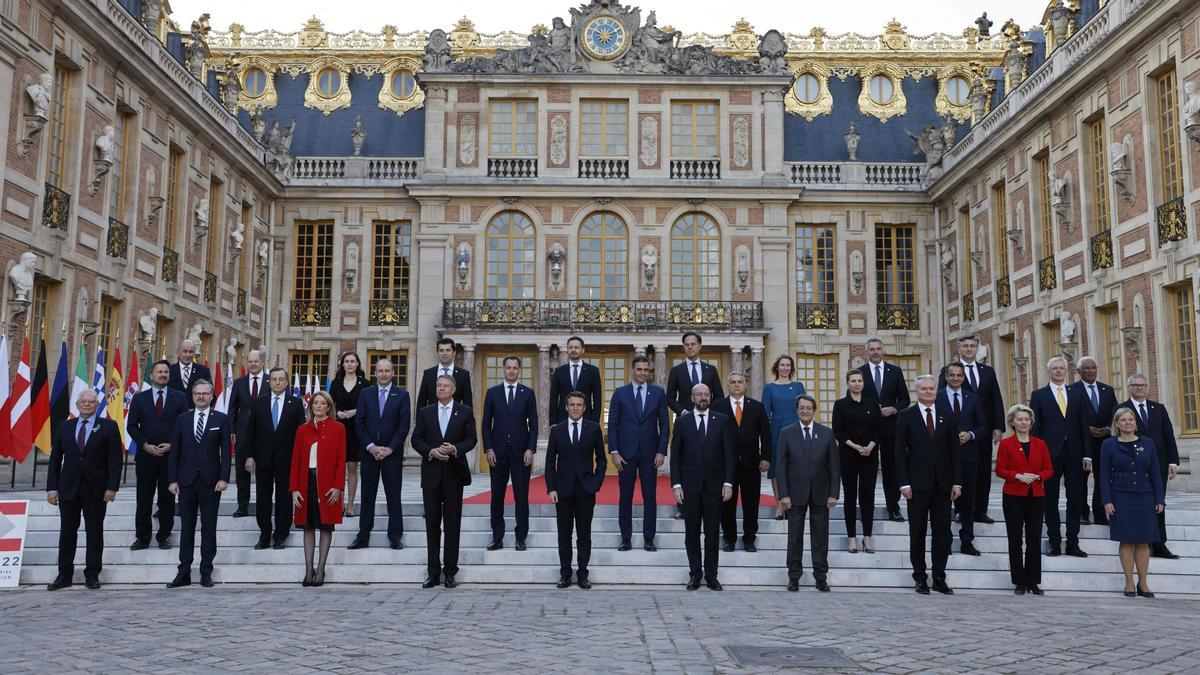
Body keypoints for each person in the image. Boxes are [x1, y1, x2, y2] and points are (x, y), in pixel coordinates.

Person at [45, 390, 122, 590]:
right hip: (68, 488)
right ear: (77, 405)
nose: (87, 405)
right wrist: (52, 488)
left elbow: (115, 460)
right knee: (67, 532)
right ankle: (64, 575)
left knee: (94, 532)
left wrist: (112, 487)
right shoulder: (64, 427)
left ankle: (92, 574)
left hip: (96, 489)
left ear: (97, 405)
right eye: (83, 402)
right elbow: (55, 460)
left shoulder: (108, 427)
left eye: (91, 402)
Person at [895, 375, 962, 595]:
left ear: (936, 390)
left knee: (942, 532)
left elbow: (955, 452)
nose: (928, 392)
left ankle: (939, 577)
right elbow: (899, 453)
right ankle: (920, 577)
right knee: (918, 532)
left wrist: (957, 482)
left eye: (931, 388)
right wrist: (903, 483)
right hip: (917, 485)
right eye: (923, 389)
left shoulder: (948, 416)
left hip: (943, 485)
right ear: (917, 391)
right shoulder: (906, 416)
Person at [411, 375, 477, 589]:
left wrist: (455, 449)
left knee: (452, 524)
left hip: (454, 475)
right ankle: (433, 572)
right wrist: (431, 452)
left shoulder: (464, 412)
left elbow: (471, 438)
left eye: (445, 385)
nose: (441, 388)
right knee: (432, 524)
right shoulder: (425, 412)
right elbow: (416, 439)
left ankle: (450, 571)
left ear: (454, 389)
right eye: (438, 385)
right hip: (431, 474)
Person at [669, 383, 735, 591]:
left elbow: (729, 455)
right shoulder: (682, 421)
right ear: (692, 397)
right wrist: (676, 484)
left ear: (710, 397)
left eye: (706, 394)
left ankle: (712, 575)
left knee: (713, 533)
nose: (703, 397)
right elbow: (676, 456)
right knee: (692, 533)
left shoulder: (722, 421)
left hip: (715, 487)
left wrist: (728, 482)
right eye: (699, 394)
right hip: (690, 487)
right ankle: (695, 574)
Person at [166, 380, 231, 588]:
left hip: (211, 482)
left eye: (205, 393)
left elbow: (227, 453)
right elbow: (174, 451)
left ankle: (205, 571)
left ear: (212, 396)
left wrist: (224, 478)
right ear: (192, 396)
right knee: (186, 528)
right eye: (197, 393)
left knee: (209, 527)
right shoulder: (182, 419)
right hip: (185, 481)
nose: (201, 397)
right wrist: (172, 479)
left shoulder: (221, 419)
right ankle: (183, 571)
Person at [1100, 407, 1166, 597]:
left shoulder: (1148, 443)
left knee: (1144, 542)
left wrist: (1159, 499)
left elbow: (1155, 473)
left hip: (1145, 496)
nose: (1127, 423)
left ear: (1135, 423)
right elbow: (1104, 475)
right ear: (1117, 424)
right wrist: (1107, 500)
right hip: (1121, 496)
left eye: (1131, 419)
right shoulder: (1109, 445)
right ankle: (1129, 582)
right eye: (1123, 420)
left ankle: (1143, 583)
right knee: (1127, 540)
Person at [938, 335, 1005, 523]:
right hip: (956, 432)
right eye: (965, 346)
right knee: (958, 471)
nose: (969, 349)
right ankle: (960, 509)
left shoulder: (987, 371)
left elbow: (996, 399)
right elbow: (941, 401)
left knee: (983, 470)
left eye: (972, 346)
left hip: (982, 430)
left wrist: (999, 426)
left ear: (977, 348)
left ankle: (980, 510)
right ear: (959, 348)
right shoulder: (949, 371)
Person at [776, 395, 840, 592]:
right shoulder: (786, 433)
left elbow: (834, 467)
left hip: (821, 494)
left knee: (820, 537)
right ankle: (794, 576)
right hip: (795, 495)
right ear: (797, 410)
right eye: (801, 408)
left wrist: (833, 494)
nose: (805, 411)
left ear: (814, 410)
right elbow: (781, 466)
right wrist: (783, 495)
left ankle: (821, 576)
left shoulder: (826, 434)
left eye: (808, 408)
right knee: (794, 537)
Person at [545, 391, 607, 589]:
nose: (575, 408)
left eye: (579, 405)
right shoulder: (557, 430)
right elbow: (549, 463)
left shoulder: (594, 429)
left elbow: (602, 459)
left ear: (584, 407)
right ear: (566, 407)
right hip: (562, 490)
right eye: (572, 404)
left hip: (585, 489)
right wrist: (551, 488)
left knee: (584, 534)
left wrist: (596, 482)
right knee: (564, 534)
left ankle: (582, 574)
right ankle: (565, 574)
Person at [1029, 356, 1090, 557]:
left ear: (1067, 370)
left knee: (1075, 498)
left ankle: (1073, 542)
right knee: (1050, 499)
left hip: (1074, 454)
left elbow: (1083, 426)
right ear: (1049, 371)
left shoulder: (1078, 394)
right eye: (1054, 368)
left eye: (1061, 368)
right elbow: (1035, 428)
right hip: (1048, 455)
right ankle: (1054, 541)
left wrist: (1087, 455)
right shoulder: (1039, 395)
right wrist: (1035, 456)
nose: (1058, 371)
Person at [607, 355, 669, 551]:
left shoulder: (658, 393)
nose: (642, 373)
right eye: (639, 369)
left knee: (650, 496)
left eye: (646, 370)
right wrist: (614, 451)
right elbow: (613, 424)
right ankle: (626, 538)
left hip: (650, 454)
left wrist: (661, 450)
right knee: (625, 496)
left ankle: (648, 539)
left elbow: (665, 424)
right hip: (625, 454)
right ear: (632, 371)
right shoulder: (620, 393)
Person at [126, 359, 188, 551]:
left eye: (166, 372)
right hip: (146, 457)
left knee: (167, 499)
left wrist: (172, 445)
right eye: (159, 372)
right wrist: (144, 445)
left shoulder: (179, 398)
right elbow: (131, 426)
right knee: (143, 498)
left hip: (169, 458)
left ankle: (164, 536)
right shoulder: (139, 398)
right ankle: (142, 537)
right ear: (152, 375)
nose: (163, 375)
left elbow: (183, 425)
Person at [242, 367, 306, 549]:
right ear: (269, 382)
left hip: (287, 460)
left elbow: (301, 433)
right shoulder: (259, 403)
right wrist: (249, 456)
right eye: (274, 379)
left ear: (287, 382)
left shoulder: (295, 403)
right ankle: (264, 534)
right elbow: (250, 432)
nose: (277, 383)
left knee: (284, 498)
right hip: (263, 459)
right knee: (263, 497)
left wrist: (299, 459)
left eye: (281, 379)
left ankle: (281, 535)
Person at [350, 358, 411, 549]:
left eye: (387, 371)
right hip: (369, 454)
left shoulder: (402, 395)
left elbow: (404, 425)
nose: (383, 374)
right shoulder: (365, 394)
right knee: (368, 495)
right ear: (375, 373)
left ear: (392, 373)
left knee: (393, 495)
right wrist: (371, 446)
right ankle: (363, 536)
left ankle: (395, 536)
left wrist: (389, 448)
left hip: (392, 454)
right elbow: (358, 423)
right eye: (380, 371)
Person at [481, 355, 539, 550]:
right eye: (508, 367)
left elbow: (534, 424)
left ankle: (520, 538)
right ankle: (497, 538)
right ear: (503, 369)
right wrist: (488, 448)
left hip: (521, 454)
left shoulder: (528, 393)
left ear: (519, 370)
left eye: (515, 368)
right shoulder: (492, 393)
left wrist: (531, 449)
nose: (511, 371)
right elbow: (485, 424)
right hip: (497, 453)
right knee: (496, 496)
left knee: (521, 496)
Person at [1121, 373, 1181, 559]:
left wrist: (1173, 461)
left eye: (1143, 385)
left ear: (1147, 388)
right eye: (1136, 385)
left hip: (1159, 464)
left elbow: (1168, 435)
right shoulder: (1122, 409)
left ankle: (1159, 543)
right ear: (1129, 387)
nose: (1139, 388)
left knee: (1159, 503)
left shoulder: (1159, 408)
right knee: (1139, 505)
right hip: (1133, 466)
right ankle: (1141, 541)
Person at [995, 404, 1053, 595]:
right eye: (1019, 419)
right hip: (1013, 495)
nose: (1024, 422)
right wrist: (1018, 476)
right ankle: (1019, 581)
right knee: (1015, 539)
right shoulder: (1005, 443)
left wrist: (1037, 477)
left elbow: (1048, 469)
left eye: (1027, 419)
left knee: (1034, 539)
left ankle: (1033, 581)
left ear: (1031, 422)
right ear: (1012, 422)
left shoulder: (1040, 444)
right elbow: (1000, 469)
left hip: (1036, 495)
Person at [290, 391, 346, 587]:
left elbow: (341, 460)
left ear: (329, 407)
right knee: (307, 526)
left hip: (328, 484)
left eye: (323, 403)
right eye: (316, 403)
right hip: (306, 482)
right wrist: (294, 489)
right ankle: (308, 569)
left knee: (325, 525)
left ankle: (321, 569)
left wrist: (338, 486)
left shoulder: (338, 428)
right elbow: (295, 460)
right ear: (311, 406)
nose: (319, 406)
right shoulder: (302, 430)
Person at [666, 332, 724, 520]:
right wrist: (683, 412)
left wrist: (705, 412)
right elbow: (669, 397)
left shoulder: (711, 370)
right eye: (686, 344)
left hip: (707, 423)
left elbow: (719, 396)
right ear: (683, 347)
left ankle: (708, 504)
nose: (690, 347)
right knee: (683, 460)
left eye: (693, 344)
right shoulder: (677, 370)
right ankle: (682, 506)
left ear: (700, 346)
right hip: (684, 422)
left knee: (707, 459)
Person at [711, 372, 770, 552]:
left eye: (740, 382)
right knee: (726, 503)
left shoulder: (757, 407)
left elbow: (766, 434)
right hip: (725, 465)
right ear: (728, 386)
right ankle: (729, 538)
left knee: (751, 504)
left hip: (751, 464)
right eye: (733, 382)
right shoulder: (718, 406)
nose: (737, 385)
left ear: (745, 385)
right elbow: (712, 436)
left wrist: (766, 457)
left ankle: (749, 539)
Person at [859, 337, 911, 522]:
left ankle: (893, 507)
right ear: (867, 352)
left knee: (891, 470)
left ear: (883, 351)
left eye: (878, 349)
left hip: (891, 428)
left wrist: (894, 409)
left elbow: (905, 399)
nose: (875, 352)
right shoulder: (860, 372)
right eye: (871, 349)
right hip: (867, 429)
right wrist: (871, 411)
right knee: (868, 470)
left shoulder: (895, 371)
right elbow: (855, 399)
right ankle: (866, 508)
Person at [938, 363, 988, 555]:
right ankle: (946, 541)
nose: (955, 378)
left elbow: (983, 425)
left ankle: (967, 541)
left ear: (963, 377)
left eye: (959, 375)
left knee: (968, 502)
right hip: (944, 457)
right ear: (947, 376)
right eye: (952, 375)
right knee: (944, 501)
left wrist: (971, 435)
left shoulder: (973, 399)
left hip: (968, 455)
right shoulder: (938, 396)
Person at [832, 370, 882, 554]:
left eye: (859, 380)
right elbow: (837, 430)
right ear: (847, 383)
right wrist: (855, 447)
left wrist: (869, 446)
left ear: (863, 383)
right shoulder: (840, 405)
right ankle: (852, 538)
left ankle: (867, 537)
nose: (856, 383)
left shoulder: (873, 404)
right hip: (848, 455)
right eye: (853, 380)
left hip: (869, 455)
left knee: (868, 497)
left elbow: (879, 429)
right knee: (850, 497)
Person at [1069, 356, 1118, 525]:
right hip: (1082, 442)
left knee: (1102, 477)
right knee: (1080, 478)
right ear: (1079, 371)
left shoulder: (1108, 390)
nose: (1091, 371)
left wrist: (1108, 427)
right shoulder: (1071, 390)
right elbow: (1069, 417)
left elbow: (1115, 412)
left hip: (1104, 441)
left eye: (1093, 368)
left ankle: (1100, 513)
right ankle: (1082, 512)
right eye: (1087, 368)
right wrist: (1086, 428)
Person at [761, 354, 805, 519]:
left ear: (791, 368)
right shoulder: (769, 388)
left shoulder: (798, 386)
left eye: (788, 365)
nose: (785, 368)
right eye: (782, 365)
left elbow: (805, 408)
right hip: (777, 430)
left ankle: (791, 503)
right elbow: (765, 413)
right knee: (777, 470)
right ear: (777, 368)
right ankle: (779, 505)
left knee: (794, 468)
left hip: (796, 429)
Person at [226, 349, 269, 518]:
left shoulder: (270, 381)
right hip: (242, 433)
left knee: (264, 472)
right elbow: (232, 408)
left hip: (264, 434)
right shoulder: (239, 383)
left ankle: (262, 504)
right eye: (250, 361)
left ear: (262, 362)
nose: (252, 364)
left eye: (256, 361)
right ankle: (242, 506)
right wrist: (232, 430)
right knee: (242, 472)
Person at [329, 351, 368, 516]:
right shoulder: (335, 383)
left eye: (353, 361)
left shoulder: (365, 384)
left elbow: (369, 406)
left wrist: (355, 412)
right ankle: (340, 503)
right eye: (347, 361)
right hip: (338, 428)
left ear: (357, 364)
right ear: (342, 364)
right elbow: (328, 404)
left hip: (356, 429)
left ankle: (350, 504)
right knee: (339, 468)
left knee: (352, 466)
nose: (350, 364)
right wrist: (337, 413)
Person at [549, 336, 602, 425]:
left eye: (576, 347)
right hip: (563, 421)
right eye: (570, 347)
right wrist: (553, 423)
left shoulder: (593, 371)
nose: (573, 350)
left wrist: (594, 423)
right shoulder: (559, 371)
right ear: (567, 349)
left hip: (587, 420)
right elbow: (553, 399)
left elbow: (597, 399)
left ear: (582, 350)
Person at [417, 337, 473, 409]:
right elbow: (421, 402)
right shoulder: (428, 374)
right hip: (432, 418)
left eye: (448, 350)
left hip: (455, 418)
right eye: (441, 350)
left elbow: (468, 403)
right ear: (437, 353)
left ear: (454, 353)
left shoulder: (463, 375)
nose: (444, 353)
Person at [167, 339, 212, 408]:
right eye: (185, 351)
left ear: (194, 353)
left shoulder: (203, 371)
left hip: (195, 415)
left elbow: (211, 394)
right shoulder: (169, 371)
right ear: (178, 352)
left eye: (191, 352)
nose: (188, 355)